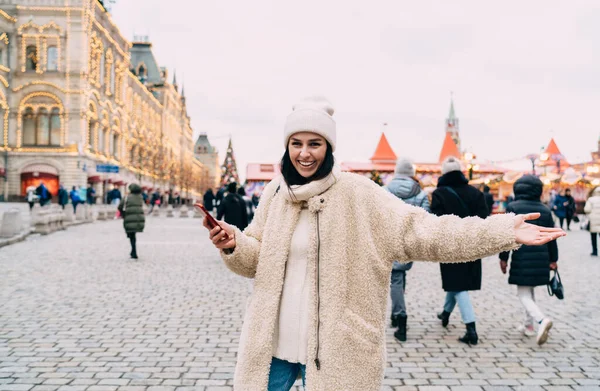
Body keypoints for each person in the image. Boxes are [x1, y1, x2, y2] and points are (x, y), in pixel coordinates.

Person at [202, 96, 565, 391]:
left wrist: (501, 232)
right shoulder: (274, 194)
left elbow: (428, 233)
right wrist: (234, 243)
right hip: (274, 348)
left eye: (315, 143)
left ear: (329, 147)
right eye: (296, 144)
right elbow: (257, 259)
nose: (305, 153)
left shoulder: (360, 195)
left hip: (336, 351)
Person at [431, 156, 490, 346]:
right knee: (456, 283)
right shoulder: (475, 193)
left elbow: (435, 221)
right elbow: (484, 219)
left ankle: (471, 328)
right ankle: (445, 314)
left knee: (457, 284)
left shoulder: (439, 194)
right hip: (472, 244)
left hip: (450, 244)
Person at [499, 175, 558, 345]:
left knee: (523, 293)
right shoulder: (545, 210)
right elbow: (551, 237)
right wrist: (553, 259)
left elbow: (506, 236)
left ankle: (541, 320)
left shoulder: (513, 207)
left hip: (521, 256)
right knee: (529, 291)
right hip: (541, 257)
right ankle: (528, 326)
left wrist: (503, 258)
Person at [385, 158, 430, 342]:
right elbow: (426, 219)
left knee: (395, 278)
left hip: (389, 239)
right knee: (400, 275)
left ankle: (400, 316)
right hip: (409, 241)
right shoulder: (420, 193)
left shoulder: (384, 191)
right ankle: (397, 312)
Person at [117, 184, 145, 259]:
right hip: (138, 218)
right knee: (133, 235)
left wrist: (123, 214)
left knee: (131, 235)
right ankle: (133, 251)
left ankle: (134, 251)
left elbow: (120, 206)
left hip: (129, 218)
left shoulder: (127, 197)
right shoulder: (140, 197)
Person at [584, 187, 600, 256]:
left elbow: (587, 209)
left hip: (593, 220)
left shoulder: (591, 200)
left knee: (593, 236)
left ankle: (595, 251)